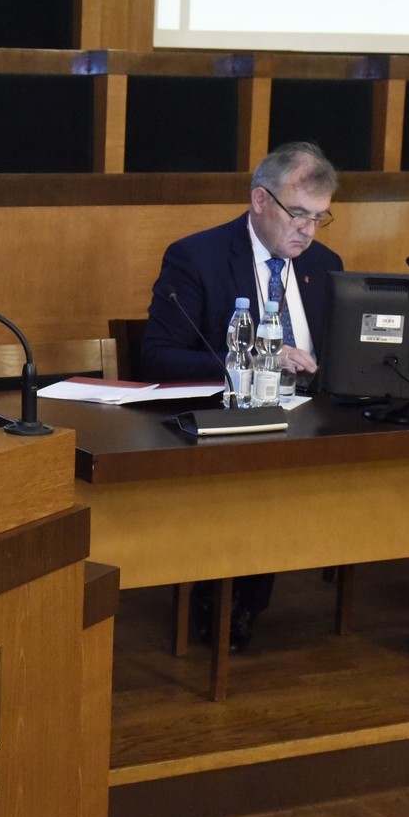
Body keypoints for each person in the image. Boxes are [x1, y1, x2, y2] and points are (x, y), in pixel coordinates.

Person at [139, 141, 344, 651]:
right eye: (298, 214)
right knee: (260, 473)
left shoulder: (325, 263)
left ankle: (244, 597)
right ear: (259, 200)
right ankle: (228, 602)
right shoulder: (197, 257)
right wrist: (256, 358)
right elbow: (159, 356)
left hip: (310, 420)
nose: (309, 231)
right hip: (230, 424)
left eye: (320, 217)